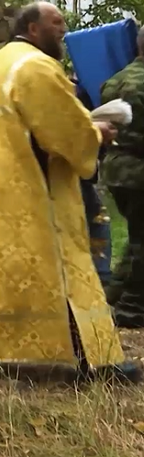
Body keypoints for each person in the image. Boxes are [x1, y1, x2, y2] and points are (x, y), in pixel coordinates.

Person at [0, 2, 140, 383]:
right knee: (66, 269)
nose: (63, 28)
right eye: (56, 22)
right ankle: (94, 359)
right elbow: (62, 130)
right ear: (33, 28)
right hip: (36, 193)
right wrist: (95, 133)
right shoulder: (36, 67)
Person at [98, 29, 144, 327]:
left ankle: (115, 292)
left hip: (115, 168)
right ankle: (132, 308)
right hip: (138, 170)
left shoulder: (115, 79)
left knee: (137, 235)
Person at [72, 76, 112, 288]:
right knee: (96, 221)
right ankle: (101, 276)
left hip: (81, 171)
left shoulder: (79, 89)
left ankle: (101, 274)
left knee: (97, 220)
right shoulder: (73, 91)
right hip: (72, 170)